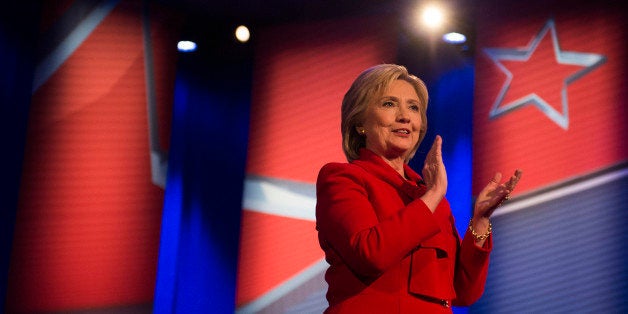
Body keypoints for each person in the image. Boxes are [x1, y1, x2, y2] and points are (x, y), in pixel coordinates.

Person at [315, 64, 522, 313]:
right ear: (360, 123)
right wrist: (433, 195)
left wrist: (479, 221)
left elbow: (463, 292)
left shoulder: (431, 199)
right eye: (389, 104)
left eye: (413, 107)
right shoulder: (342, 178)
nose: (405, 116)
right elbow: (370, 254)